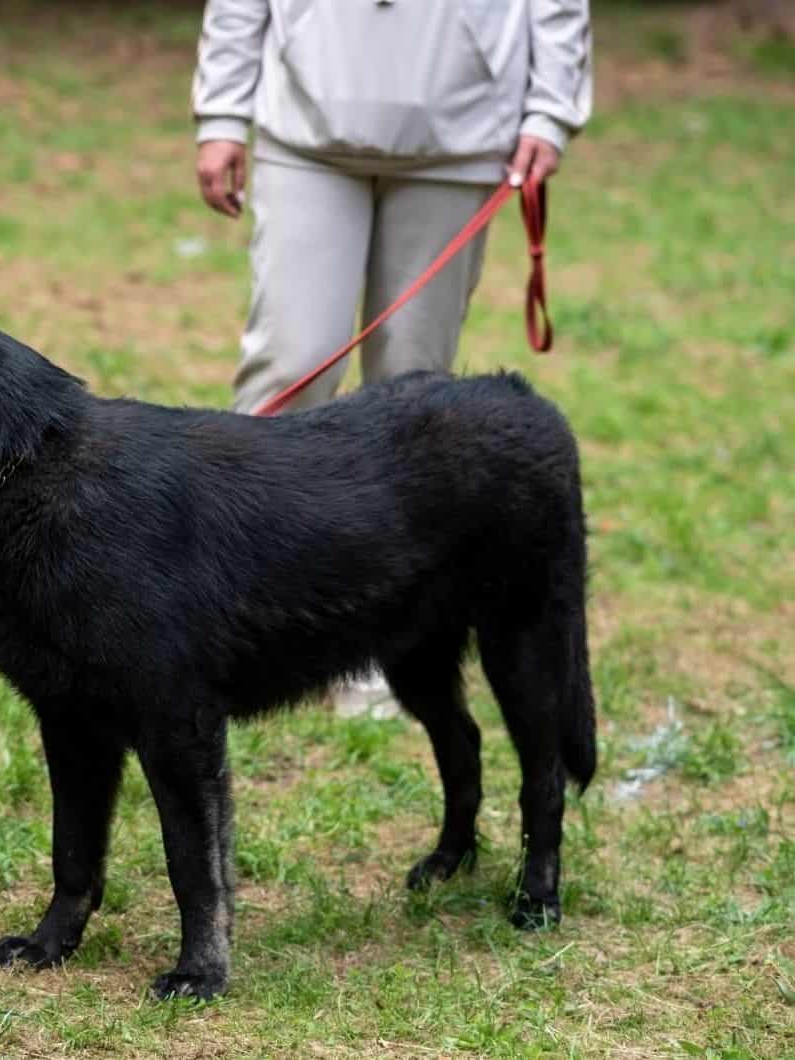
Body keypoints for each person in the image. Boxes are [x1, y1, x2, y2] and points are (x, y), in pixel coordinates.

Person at [191, 0, 591, 712]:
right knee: (290, 367)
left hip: (463, 135)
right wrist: (222, 114)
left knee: (410, 395)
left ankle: (372, 639)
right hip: (305, 131)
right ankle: (244, 613)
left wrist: (549, 112)